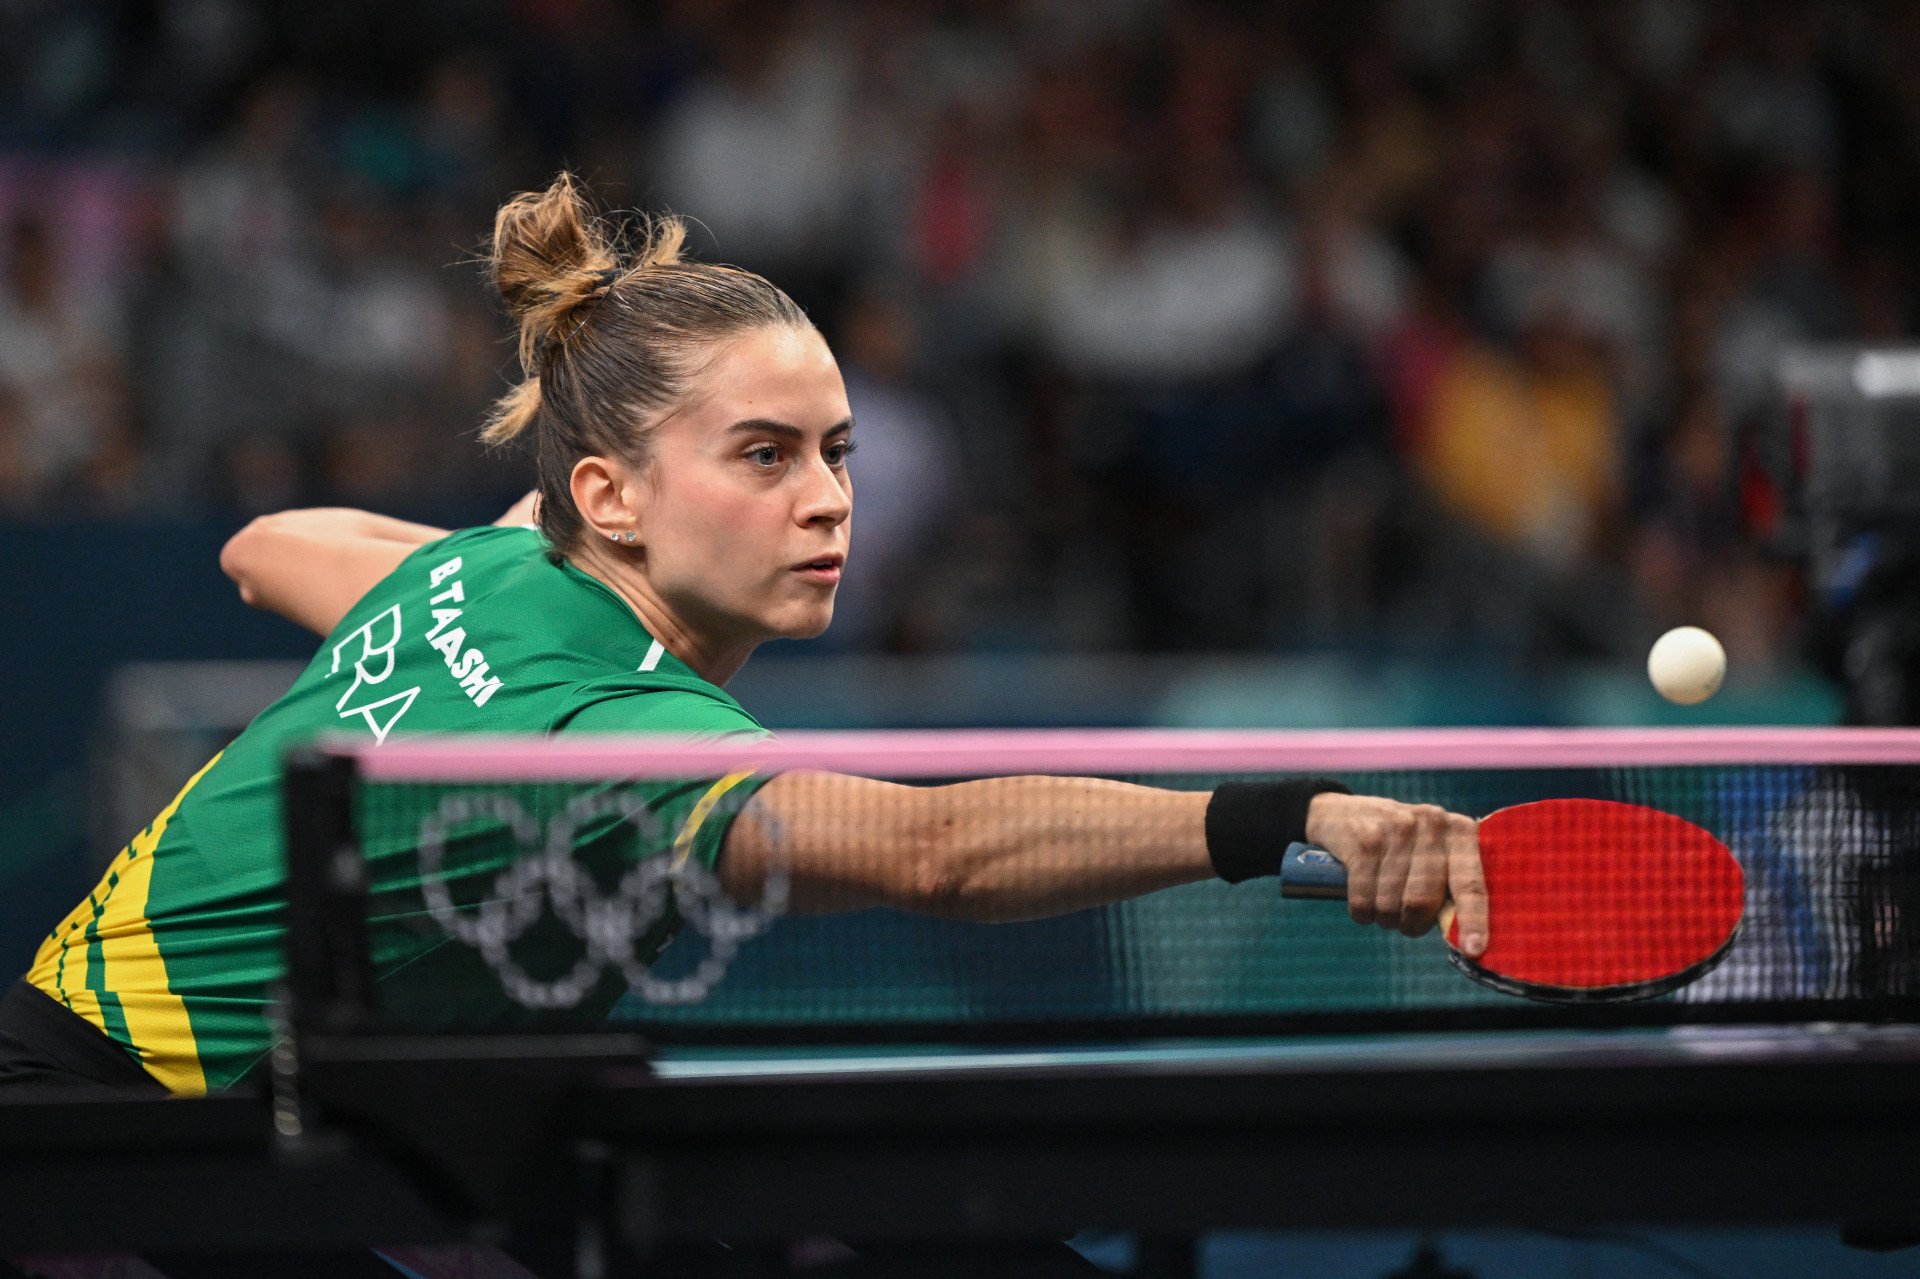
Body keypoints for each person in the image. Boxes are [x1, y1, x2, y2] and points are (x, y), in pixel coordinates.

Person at [2, 173, 1486, 1105]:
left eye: (838, 453)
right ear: (612, 495)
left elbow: (265, 551)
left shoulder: (501, 570)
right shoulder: (618, 736)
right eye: (767, 457)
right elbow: (937, 854)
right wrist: (1276, 817)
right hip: (118, 1124)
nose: (831, 502)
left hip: (177, 1067)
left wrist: (434, 607)